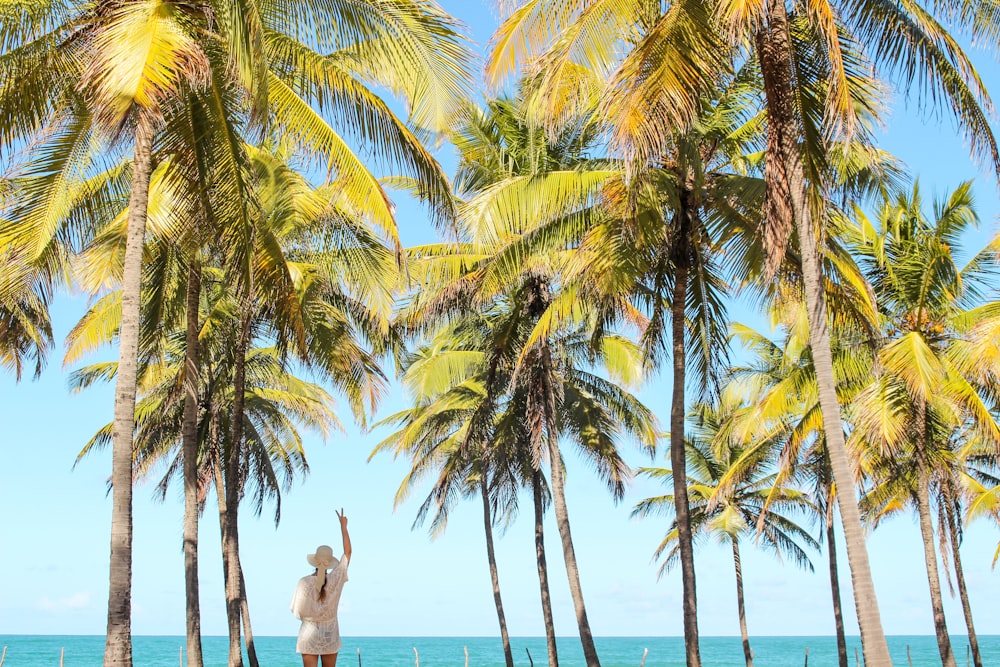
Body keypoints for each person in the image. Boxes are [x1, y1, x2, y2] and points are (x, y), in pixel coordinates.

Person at [291, 508, 352, 667]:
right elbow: (348, 553)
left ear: (315, 562)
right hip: (329, 632)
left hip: (308, 633)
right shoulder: (335, 580)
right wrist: (343, 527)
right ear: (330, 562)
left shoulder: (303, 582)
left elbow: (297, 612)